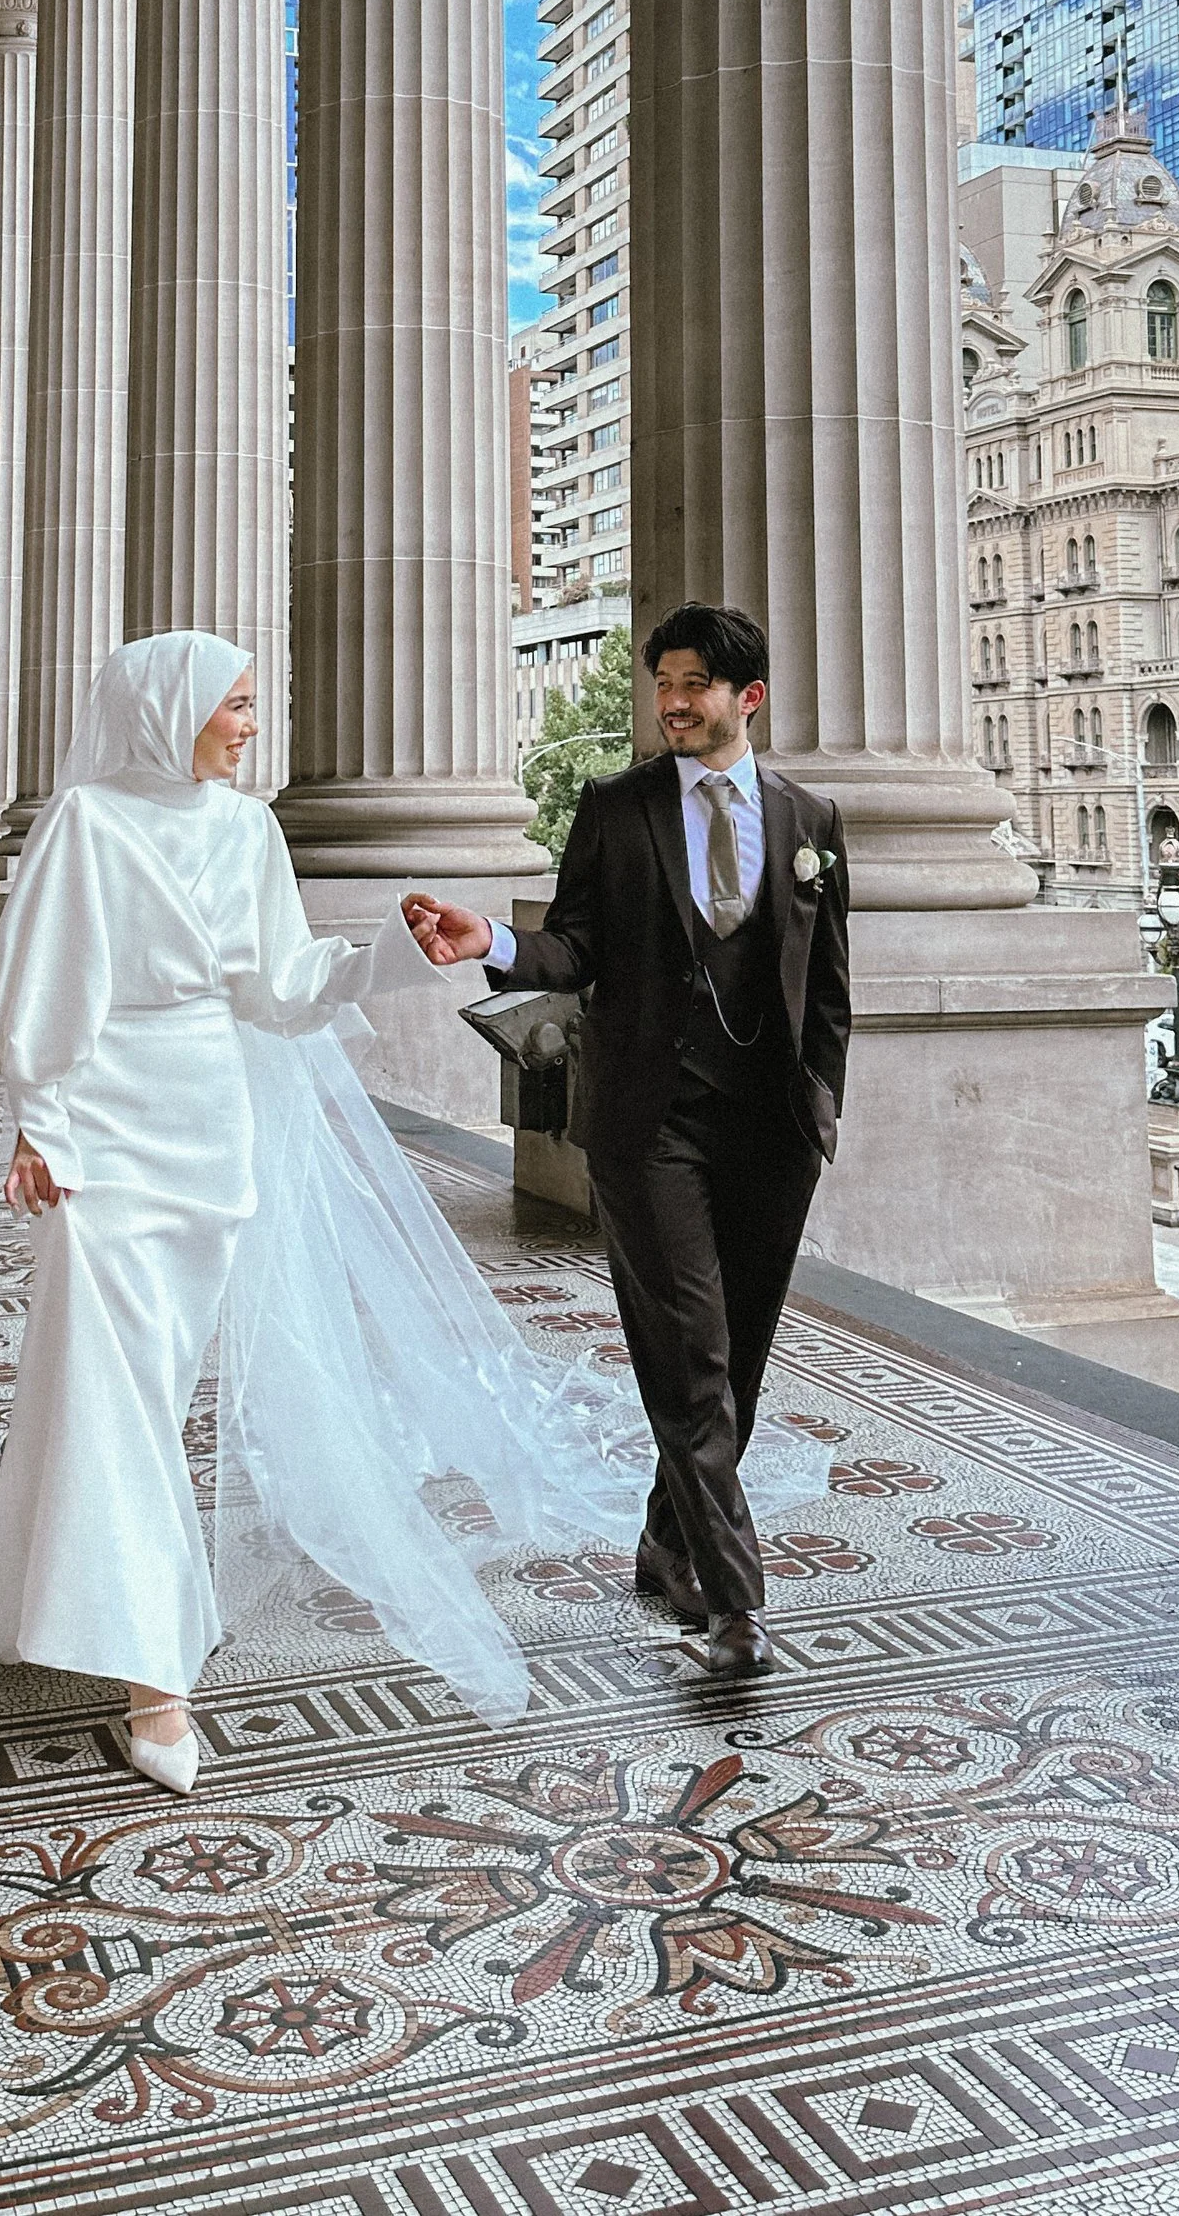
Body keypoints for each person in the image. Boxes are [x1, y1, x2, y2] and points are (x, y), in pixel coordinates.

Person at [0, 628, 746, 1790]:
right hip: (105, 1141)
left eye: (251, 703)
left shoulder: (247, 831)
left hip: (209, 1140)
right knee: (110, 1394)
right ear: (170, 709)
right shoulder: (86, 823)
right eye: (234, 704)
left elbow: (282, 991)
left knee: (135, 1394)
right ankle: (154, 1677)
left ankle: (31, 1597)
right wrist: (41, 1120)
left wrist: (394, 953)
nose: (250, 725)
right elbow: (38, 982)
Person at [406, 602, 849, 1680]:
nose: (672, 703)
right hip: (651, 1124)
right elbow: (576, 945)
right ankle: (734, 1604)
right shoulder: (617, 806)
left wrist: (820, 1105)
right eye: (663, 685)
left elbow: (830, 981)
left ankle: (663, 1539)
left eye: (694, 684)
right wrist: (491, 940)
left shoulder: (810, 818)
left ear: (746, 698)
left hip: (770, 1130)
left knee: (738, 1359)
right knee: (691, 1358)